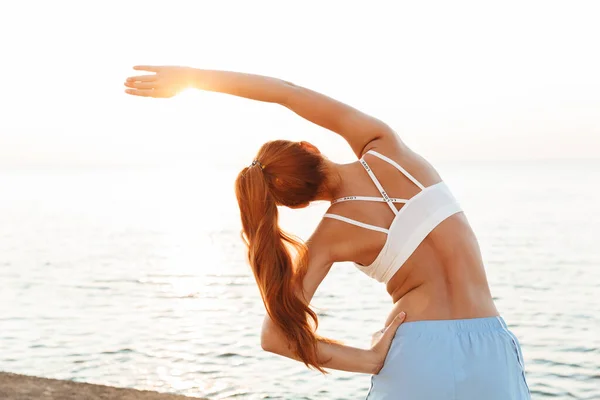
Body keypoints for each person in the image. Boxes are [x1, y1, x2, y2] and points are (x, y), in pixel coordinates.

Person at [124, 66, 531, 399]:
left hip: (417, 352)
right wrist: (191, 78)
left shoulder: (331, 236)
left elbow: (275, 338)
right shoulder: (384, 144)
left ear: (296, 204)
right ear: (309, 147)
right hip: (491, 344)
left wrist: (369, 360)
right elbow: (286, 91)